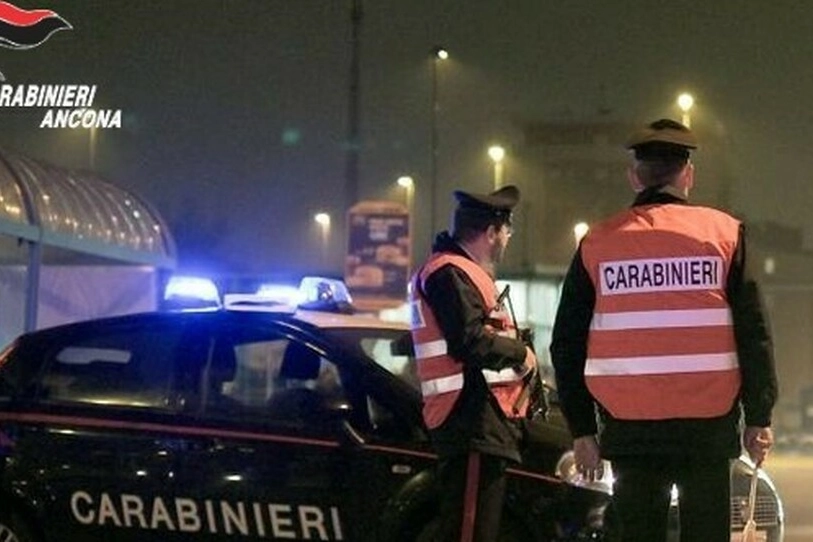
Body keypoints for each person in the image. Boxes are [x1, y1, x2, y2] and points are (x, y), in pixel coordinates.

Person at [549, 118, 778, 542]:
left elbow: (566, 343)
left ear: (634, 176)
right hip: (707, 430)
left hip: (630, 432)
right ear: (688, 174)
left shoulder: (599, 244)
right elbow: (754, 333)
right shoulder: (725, 235)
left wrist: (581, 430)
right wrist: (759, 415)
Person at [409, 185, 538, 542]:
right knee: (469, 531)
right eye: (507, 230)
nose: (508, 238)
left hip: (481, 422)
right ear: (492, 232)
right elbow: (469, 340)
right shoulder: (448, 273)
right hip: (469, 420)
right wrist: (520, 354)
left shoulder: (462, 272)